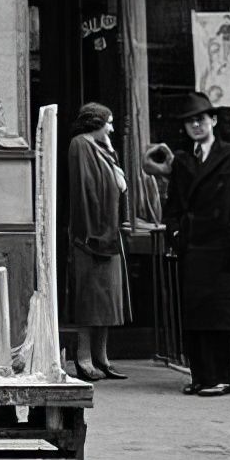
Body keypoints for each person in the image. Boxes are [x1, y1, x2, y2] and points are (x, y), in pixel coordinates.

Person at [165, 91, 230, 397]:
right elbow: (173, 205)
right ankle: (200, 376)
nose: (195, 125)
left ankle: (220, 378)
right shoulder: (183, 161)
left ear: (214, 121)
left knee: (220, 317)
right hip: (193, 249)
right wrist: (177, 234)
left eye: (201, 119)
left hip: (223, 250)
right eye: (189, 121)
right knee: (194, 317)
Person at [66, 103, 128, 381]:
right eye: (109, 123)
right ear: (96, 123)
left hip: (109, 234)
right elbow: (84, 189)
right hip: (91, 237)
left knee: (106, 300)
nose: (112, 128)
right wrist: (91, 232)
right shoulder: (80, 145)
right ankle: (83, 357)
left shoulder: (104, 148)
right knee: (88, 300)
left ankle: (102, 357)